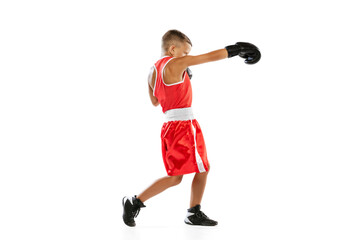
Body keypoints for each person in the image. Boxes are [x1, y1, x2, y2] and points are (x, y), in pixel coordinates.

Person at [122, 29, 261, 227]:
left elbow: (155, 101)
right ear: (172, 49)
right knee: (200, 169)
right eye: (185, 53)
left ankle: (134, 202)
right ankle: (192, 212)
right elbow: (207, 57)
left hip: (169, 126)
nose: (187, 57)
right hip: (184, 125)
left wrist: (182, 82)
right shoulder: (177, 62)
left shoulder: (152, 71)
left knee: (177, 177)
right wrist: (236, 50)